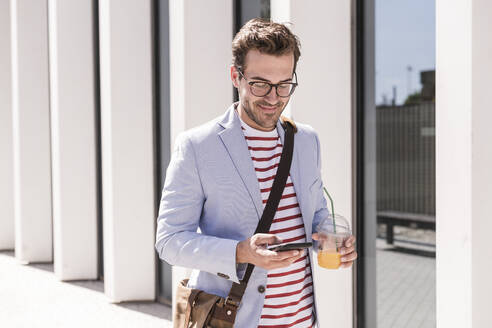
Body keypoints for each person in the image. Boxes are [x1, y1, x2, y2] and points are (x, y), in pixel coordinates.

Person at [155, 18, 357, 328]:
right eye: (260, 84)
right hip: (234, 319)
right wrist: (240, 252)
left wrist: (330, 240)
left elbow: (316, 216)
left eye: (284, 84)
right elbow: (169, 241)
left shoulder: (306, 140)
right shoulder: (197, 146)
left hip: (304, 320)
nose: (274, 98)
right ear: (236, 76)